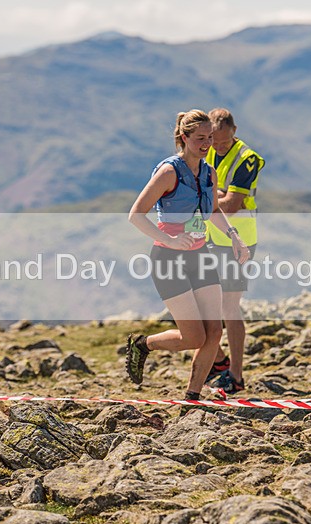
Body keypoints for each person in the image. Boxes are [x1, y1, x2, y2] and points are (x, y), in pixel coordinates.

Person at [126, 109, 249, 404]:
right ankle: (143, 344)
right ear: (184, 138)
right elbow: (136, 215)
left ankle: (192, 397)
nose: (206, 144)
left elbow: (213, 211)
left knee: (214, 332)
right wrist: (169, 238)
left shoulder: (209, 171)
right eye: (200, 138)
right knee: (193, 338)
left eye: (210, 138)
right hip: (168, 260)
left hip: (201, 256)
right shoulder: (169, 172)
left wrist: (234, 237)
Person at [203, 108, 265, 396]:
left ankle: (235, 375)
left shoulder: (247, 158)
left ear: (235, 132)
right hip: (211, 236)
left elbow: (230, 204)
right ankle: (218, 362)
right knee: (200, 303)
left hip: (239, 240)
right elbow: (219, 199)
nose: (218, 147)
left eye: (224, 143)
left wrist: (204, 194)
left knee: (229, 306)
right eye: (215, 142)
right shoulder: (209, 149)